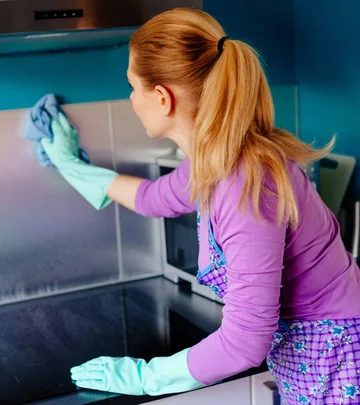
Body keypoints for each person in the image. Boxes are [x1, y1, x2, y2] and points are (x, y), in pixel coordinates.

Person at [39, 7, 360, 404]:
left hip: (338, 361)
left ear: (161, 98)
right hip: (310, 357)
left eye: (132, 86)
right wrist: (71, 165)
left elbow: (245, 341)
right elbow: (152, 198)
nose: (131, 99)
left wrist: (147, 377)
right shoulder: (218, 160)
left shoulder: (248, 183)